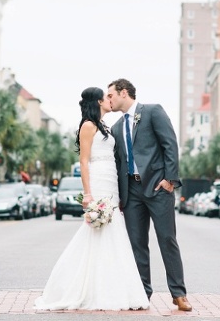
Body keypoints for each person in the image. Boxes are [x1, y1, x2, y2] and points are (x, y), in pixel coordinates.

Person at [34, 87, 149, 311]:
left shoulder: (104, 126)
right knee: (95, 233)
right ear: (98, 101)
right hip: (97, 182)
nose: (110, 100)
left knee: (113, 233)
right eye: (106, 97)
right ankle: (85, 289)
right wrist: (88, 194)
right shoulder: (88, 126)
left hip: (111, 183)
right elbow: (84, 161)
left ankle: (114, 288)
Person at [107, 78, 192, 312]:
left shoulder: (153, 111)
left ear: (124, 93)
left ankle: (179, 293)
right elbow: (118, 163)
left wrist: (169, 180)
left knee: (167, 239)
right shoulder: (115, 128)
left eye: (111, 95)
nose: (109, 100)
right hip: (131, 192)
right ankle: (143, 293)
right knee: (137, 244)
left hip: (157, 188)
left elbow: (170, 145)